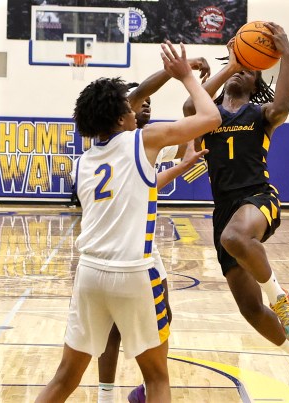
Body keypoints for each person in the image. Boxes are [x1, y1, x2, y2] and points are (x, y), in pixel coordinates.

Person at [36, 41, 222, 403]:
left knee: (63, 379)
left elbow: (132, 185)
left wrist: (176, 169)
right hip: (133, 273)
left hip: (89, 274)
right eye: (128, 107)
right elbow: (210, 118)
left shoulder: (86, 160)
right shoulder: (145, 139)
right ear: (121, 118)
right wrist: (186, 77)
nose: (135, 109)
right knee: (156, 378)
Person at [182, 23, 289, 387]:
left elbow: (282, 105)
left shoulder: (260, 114)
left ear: (256, 84)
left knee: (235, 238)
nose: (242, 73)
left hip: (258, 197)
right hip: (224, 208)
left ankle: (282, 299)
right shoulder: (209, 115)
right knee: (250, 309)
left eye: (251, 70)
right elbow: (190, 104)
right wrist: (233, 64)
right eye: (239, 66)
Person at [97, 73, 209, 403]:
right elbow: (201, 121)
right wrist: (190, 79)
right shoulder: (135, 140)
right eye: (139, 102)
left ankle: (139, 390)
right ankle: (137, 389)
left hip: (129, 251)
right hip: (123, 252)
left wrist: (181, 164)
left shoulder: (143, 145)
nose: (145, 105)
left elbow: (192, 139)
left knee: (162, 317)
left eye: (149, 103)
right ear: (123, 111)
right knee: (114, 329)